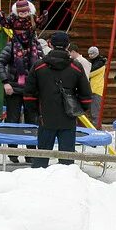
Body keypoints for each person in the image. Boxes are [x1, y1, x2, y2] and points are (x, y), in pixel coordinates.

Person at [23, 31, 93, 167]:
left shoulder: (38, 66)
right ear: (67, 46)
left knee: (41, 158)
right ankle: (65, 186)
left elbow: (28, 95)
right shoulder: (76, 67)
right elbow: (86, 96)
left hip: (45, 117)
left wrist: (36, 113)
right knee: (67, 161)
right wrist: (78, 110)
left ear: (50, 44)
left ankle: (36, 185)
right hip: (68, 117)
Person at [0, 0, 44, 162]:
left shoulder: (36, 47)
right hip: (15, 88)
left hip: (31, 90)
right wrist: (6, 82)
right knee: (13, 120)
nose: (24, 35)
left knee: (32, 121)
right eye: (21, 32)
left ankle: (31, 153)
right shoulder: (11, 46)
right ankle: (13, 152)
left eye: (27, 32)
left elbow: (42, 66)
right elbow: (0, 63)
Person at [87, 46, 107, 124]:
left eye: (92, 54)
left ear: (96, 54)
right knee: (90, 112)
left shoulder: (100, 63)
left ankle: (97, 131)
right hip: (90, 89)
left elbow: (89, 74)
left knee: (95, 113)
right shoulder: (92, 62)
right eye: (89, 54)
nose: (90, 55)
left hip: (96, 89)